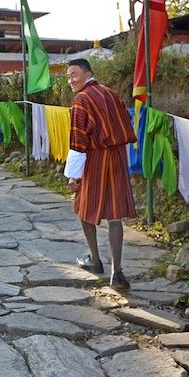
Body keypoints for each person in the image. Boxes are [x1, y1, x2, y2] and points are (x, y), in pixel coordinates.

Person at [67, 58, 137, 291]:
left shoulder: (81, 99)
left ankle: (95, 261)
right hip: (117, 156)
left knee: (85, 207)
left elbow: (78, 140)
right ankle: (117, 272)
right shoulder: (110, 92)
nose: (70, 80)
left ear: (88, 74)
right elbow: (125, 122)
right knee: (114, 214)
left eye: (74, 75)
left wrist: (73, 176)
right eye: (68, 76)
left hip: (95, 158)